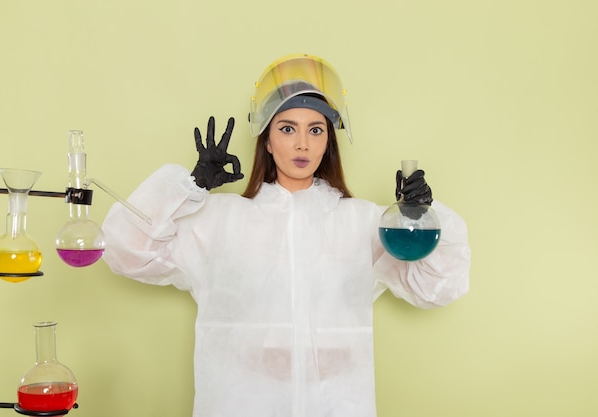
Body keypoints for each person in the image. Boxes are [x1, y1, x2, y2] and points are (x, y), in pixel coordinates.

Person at [101, 53, 470, 417]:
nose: (302, 145)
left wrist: (422, 216)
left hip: (338, 404)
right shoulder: (221, 220)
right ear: (266, 139)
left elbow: (439, 286)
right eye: (287, 128)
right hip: (240, 404)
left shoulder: (360, 224)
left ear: (328, 141)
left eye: (315, 130)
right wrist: (189, 186)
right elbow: (124, 249)